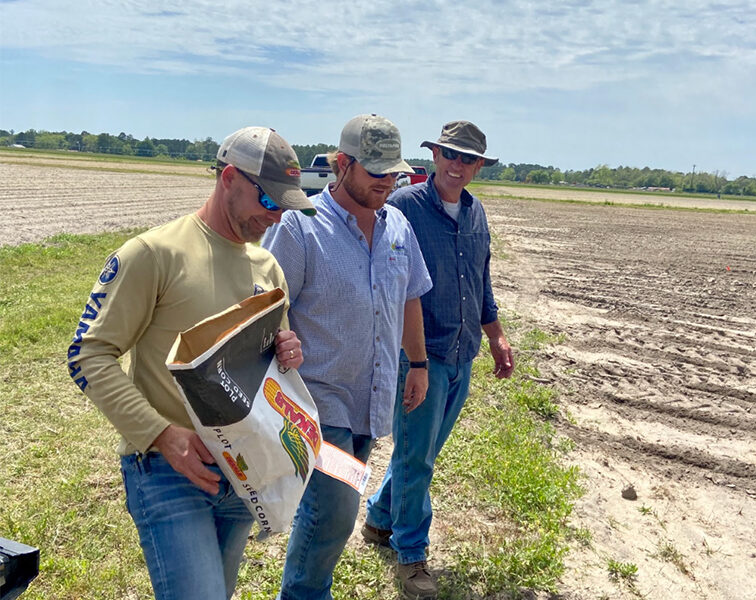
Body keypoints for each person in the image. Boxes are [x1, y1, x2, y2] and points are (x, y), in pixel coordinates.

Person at [66, 126, 317, 600]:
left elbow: (267, 367)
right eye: (268, 200)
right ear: (229, 178)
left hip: (242, 470)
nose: (276, 215)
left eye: (284, 206)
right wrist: (162, 435)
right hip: (169, 470)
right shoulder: (153, 254)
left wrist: (287, 352)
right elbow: (88, 353)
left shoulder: (268, 269)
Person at [261, 114, 432, 600]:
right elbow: (266, 306)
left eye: (393, 172)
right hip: (318, 403)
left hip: (371, 399)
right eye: (375, 171)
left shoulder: (398, 226)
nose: (386, 182)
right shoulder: (301, 227)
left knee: (333, 504)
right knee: (333, 511)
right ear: (342, 164)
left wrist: (418, 364)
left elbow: (410, 297)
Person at [363, 120, 515, 599]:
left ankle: (379, 518)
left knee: (422, 453)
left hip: (461, 353)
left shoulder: (475, 212)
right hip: (419, 358)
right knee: (417, 459)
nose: (457, 165)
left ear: (478, 167)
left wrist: (495, 335)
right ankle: (411, 555)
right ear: (434, 155)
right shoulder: (403, 207)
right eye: (450, 154)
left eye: (468, 159)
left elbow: (481, 279)